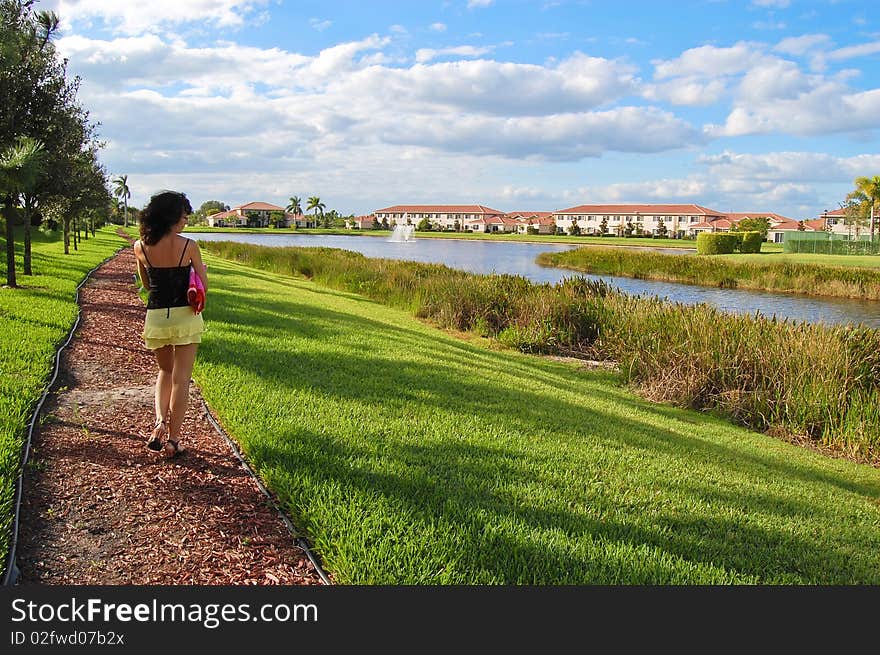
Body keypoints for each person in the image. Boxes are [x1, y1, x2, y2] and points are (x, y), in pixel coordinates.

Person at [133, 190, 207, 457]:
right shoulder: (189, 246)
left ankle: (158, 424)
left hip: (156, 317)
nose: (186, 220)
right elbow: (204, 286)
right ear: (173, 216)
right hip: (185, 316)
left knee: (165, 372)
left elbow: (146, 285)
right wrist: (202, 273)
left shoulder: (140, 246)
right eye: (184, 215)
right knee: (182, 379)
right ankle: (174, 440)